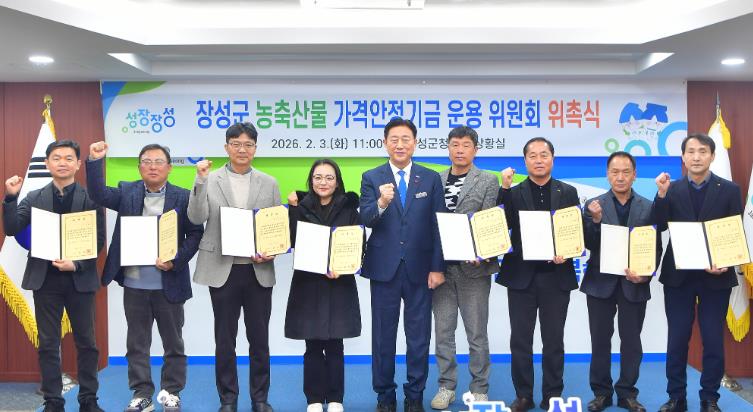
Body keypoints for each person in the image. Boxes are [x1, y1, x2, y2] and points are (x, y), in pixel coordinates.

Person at [85, 141, 204, 412]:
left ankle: (172, 392)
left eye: (158, 162)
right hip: (135, 283)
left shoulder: (183, 197)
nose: (152, 166)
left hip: (169, 283)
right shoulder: (127, 191)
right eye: (147, 162)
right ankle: (142, 394)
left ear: (169, 168)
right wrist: (94, 161)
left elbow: (196, 233)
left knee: (173, 343)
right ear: (139, 167)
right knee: (137, 343)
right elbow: (98, 194)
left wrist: (175, 260)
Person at [2, 140, 105, 412]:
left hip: (79, 278)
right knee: (48, 343)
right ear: (47, 163)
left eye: (69, 158)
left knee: (87, 343)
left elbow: (98, 240)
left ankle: (88, 400)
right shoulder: (34, 197)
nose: (62, 162)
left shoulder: (91, 198)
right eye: (56, 158)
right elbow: (11, 228)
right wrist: (10, 198)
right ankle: (53, 401)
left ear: (78, 164)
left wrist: (77, 264)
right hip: (45, 279)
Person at [187, 122, 281, 412]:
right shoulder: (210, 178)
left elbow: (275, 228)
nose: (242, 149)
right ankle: (228, 398)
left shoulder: (269, 182)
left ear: (255, 148)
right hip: (222, 269)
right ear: (226, 147)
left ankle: (260, 398)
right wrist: (200, 180)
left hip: (257, 270)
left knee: (259, 339)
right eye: (236, 144)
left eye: (248, 144)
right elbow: (196, 217)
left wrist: (271, 251)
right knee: (225, 339)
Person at [360, 117, 446, 412]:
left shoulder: (430, 178)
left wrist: (438, 267)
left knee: (419, 337)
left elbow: (439, 225)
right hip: (384, 268)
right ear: (385, 143)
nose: (400, 144)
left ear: (415, 143)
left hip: (421, 270)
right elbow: (366, 218)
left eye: (405, 139)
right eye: (394, 139)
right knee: (383, 337)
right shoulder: (372, 177)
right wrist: (381, 203)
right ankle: (384, 396)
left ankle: (414, 395)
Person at [654, 133, 742, 412]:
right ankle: (676, 397)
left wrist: (724, 261)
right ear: (683, 157)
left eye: (702, 151)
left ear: (712, 156)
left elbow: (733, 231)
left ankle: (709, 398)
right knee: (677, 338)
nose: (696, 157)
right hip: (679, 276)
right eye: (690, 151)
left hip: (715, 275)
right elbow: (659, 224)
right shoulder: (670, 188)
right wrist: (661, 195)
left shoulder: (730, 190)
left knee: (713, 339)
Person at [496, 137, 580, 412]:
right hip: (522, 276)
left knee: (553, 340)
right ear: (525, 161)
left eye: (544, 154)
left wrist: (567, 251)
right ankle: (523, 395)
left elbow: (573, 232)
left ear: (553, 159)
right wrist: (504, 188)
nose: (539, 160)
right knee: (520, 340)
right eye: (532, 155)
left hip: (556, 275)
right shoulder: (513, 192)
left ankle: (552, 395)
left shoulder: (568, 192)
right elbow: (501, 226)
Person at [580, 151, 660, 412]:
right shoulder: (594, 205)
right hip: (600, 283)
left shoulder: (648, 207)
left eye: (626, 172)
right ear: (607, 174)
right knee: (600, 341)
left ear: (635, 175)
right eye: (615, 172)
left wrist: (646, 274)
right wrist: (595, 220)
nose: (620, 177)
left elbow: (655, 246)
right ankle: (601, 393)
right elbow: (588, 244)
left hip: (634, 283)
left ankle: (627, 393)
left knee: (632, 342)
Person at [429, 126, 498, 410]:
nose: (460, 150)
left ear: (475, 149)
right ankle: (446, 386)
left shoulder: (488, 180)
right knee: (443, 332)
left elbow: (490, 220)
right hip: (441, 269)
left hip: (474, 270)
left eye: (466, 145)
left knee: (476, 333)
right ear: (448, 148)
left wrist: (482, 252)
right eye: (455, 144)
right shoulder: (435, 179)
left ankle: (480, 388)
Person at [285, 159, 362, 412]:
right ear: (311, 181)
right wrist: (293, 209)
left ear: (337, 182)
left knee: (336, 344)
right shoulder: (300, 205)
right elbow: (292, 239)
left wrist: (343, 266)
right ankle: (314, 399)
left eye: (329, 178)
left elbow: (357, 242)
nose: (323, 182)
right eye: (318, 177)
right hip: (309, 283)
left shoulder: (349, 207)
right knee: (313, 344)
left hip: (340, 282)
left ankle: (336, 398)